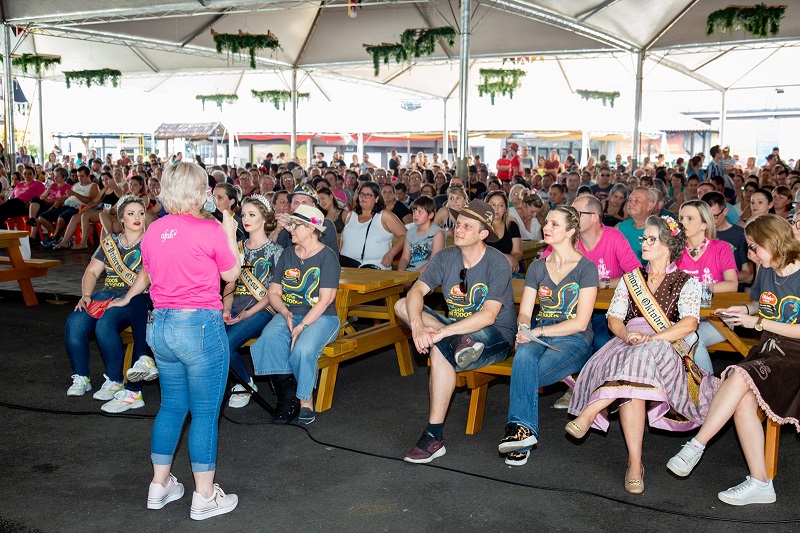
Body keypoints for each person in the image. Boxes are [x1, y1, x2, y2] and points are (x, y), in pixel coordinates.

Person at [109, 162, 241, 520]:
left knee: (171, 408)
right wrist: (228, 232)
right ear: (200, 193)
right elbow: (231, 274)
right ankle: (204, 497)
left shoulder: (154, 230)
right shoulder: (210, 228)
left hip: (161, 326)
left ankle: (160, 485)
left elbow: (150, 273)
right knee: (204, 413)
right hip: (198, 326)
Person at [567, 215, 716, 495]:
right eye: (643, 238)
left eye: (651, 239)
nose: (644, 243)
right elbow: (614, 318)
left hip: (665, 345)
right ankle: (635, 464)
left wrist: (651, 338)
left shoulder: (688, 282)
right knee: (632, 380)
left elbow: (689, 324)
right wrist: (625, 335)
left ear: (669, 245)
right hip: (627, 343)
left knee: (638, 362)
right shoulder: (630, 280)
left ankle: (592, 411)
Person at [666, 214, 800, 506]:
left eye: (754, 247)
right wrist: (744, 309)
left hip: (794, 356)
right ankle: (760, 482)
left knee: (739, 376)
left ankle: (697, 445)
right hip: (769, 349)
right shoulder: (767, 268)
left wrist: (759, 323)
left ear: (773, 242)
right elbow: (760, 302)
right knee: (743, 399)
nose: (750, 254)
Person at [395, 200, 516, 464]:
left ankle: (433, 435)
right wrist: (417, 327)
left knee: (442, 349)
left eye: (467, 226)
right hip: (456, 330)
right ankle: (455, 341)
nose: (458, 229)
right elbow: (416, 291)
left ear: (483, 234)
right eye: (458, 223)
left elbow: (488, 316)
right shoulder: (445, 257)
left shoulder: (498, 263)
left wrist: (441, 334)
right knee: (401, 305)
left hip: (495, 335)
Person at [499, 205, 598, 466]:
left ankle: (520, 431)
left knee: (525, 370)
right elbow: (525, 312)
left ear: (571, 231)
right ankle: (524, 433)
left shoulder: (586, 268)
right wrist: (523, 329)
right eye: (547, 223)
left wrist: (538, 330)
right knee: (523, 358)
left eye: (554, 224)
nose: (547, 227)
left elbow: (580, 323)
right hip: (537, 332)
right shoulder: (537, 267)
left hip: (572, 338)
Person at [64, 196, 156, 412]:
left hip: (136, 297)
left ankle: (115, 380)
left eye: (141, 213)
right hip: (107, 293)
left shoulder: (151, 242)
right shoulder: (110, 242)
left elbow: (148, 277)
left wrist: (124, 299)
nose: (137, 218)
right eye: (131, 213)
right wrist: (86, 294)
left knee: (105, 323)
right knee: (75, 322)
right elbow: (92, 271)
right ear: (121, 217)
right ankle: (81, 377)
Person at [250, 205, 341, 425]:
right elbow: (273, 292)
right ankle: (287, 393)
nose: (290, 229)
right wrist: (284, 312)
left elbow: (326, 300)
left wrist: (302, 326)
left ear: (311, 229)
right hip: (290, 313)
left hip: (321, 317)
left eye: (295, 225)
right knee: (270, 338)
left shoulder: (327, 257)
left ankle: (305, 400)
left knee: (303, 348)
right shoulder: (288, 254)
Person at [222, 196, 283, 409]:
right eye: (244, 214)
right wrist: (226, 309)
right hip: (235, 305)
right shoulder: (236, 247)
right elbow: (229, 284)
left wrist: (247, 314)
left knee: (225, 344)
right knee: (209, 338)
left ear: (264, 219)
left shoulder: (277, 252)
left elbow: (273, 293)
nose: (245, 219)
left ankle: (244, 383)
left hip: (263, 310)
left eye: (252, 214)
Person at [676, 200, 738, 371]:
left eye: (689, 218)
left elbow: (732, 285)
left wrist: (701, 287)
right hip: (684, 315)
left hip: (717, 317)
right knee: (684, 337)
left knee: (692, 338)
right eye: (681, 218)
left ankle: (707, 389)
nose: (683, 223)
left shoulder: (721, 248)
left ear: (704, 224)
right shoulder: (675, 250)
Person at [340, 182, 406, 269]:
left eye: (368, 195)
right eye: (362, 194)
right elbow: (343, 237)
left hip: (375, 267)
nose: (364, 197)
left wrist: (391, 254)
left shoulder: (384, 215)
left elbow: (405, 235)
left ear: (376, 198)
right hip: (346, 265)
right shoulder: (351, 215)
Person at [702, 192, 754, 290]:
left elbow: (748, 276)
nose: (710, 220)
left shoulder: (740, 235)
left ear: (725, 211)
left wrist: (723, 275)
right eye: (705, 217)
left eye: (714, 216)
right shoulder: (700, 234)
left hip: (731, 294)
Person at [271, 184, 339, 254]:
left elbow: (325, 255)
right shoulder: (287, 226)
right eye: (296, 203)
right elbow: (270, 254)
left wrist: (294, 231)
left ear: (313, 205)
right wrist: (277, 230)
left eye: (304, 202)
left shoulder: (324, 224)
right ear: (291, 206)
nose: (300, 206)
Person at [398, 195, 444, 276]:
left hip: (429, 274)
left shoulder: (437, 233)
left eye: (420, 212)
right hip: (411, 272)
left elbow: (433, 262)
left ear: (430, 215)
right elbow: (405, 258)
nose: (415, 215)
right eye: (414, 212)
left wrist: (414, 276)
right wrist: (401, 273)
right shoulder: (410, 233)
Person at [485, 191, 522, 274]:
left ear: (505, 209)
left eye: (500, 205)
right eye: (492, 205)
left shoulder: (512, 226)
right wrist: (504, 257)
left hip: (507, 270)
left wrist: (512, 259)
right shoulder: (480, 226)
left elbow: (518, 252)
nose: (496, 209)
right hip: (485, 270)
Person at [617, 187, 656, 264]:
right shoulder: (619, 228)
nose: (631, 203)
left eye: (636, 200)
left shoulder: (659, 230)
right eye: (630, 200)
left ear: (649, 206)